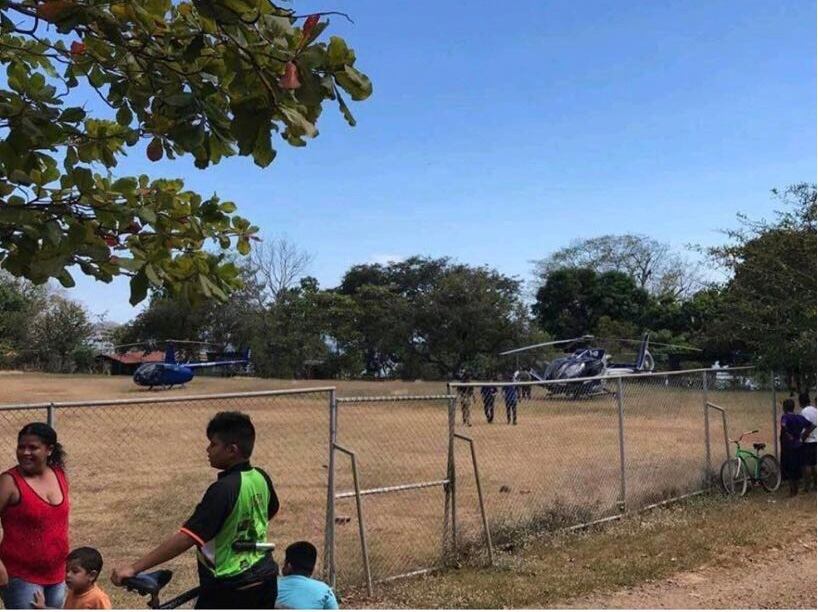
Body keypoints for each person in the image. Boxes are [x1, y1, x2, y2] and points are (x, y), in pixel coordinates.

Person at [111, 411, 280, 609]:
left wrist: (133, 568)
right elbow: (269, 512)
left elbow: (187, 538)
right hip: (265, 578)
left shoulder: (223, 490)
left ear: (232, 450)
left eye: (213, 444)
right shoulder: (260, 477)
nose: (208, 449)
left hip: (229, 587)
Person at [0, 423, 70, 609]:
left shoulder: (58, 474)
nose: (25, 452)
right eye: (21, 447)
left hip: (57, 574)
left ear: (49, 450)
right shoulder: (9, 482)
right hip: (21, 577)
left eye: (33, 447)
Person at [33, 547, 112, 609]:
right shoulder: (72, 592)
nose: (68, 575)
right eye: (67, 570)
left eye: (75, 571)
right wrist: (44, 608)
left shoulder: (98, 599)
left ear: (92, 575)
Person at [275, 541, 338, 609]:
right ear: (314, 567)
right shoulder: (324, 591)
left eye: (284, 563)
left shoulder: (273, 587)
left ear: (289, 566)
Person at [780, 399, 814, 496]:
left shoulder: (785, 417)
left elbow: (783, 426)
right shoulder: (799, 417)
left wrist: (788, 435)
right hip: (799, 445)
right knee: (797, 467)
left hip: (788, 447)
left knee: (789, 468)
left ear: (784, 408)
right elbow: (812, 425)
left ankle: (793, 490)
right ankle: (797, 488)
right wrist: (803, 436)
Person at [798, 392, 816, 492]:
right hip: (816, 440)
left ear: (801, 402)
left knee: (806, 464)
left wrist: (802, 438)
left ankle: (807, 486)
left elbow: (808, 426)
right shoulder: (815, 410)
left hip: (808, 440)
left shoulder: (804, 412)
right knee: (814, 464)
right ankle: (816, 484)